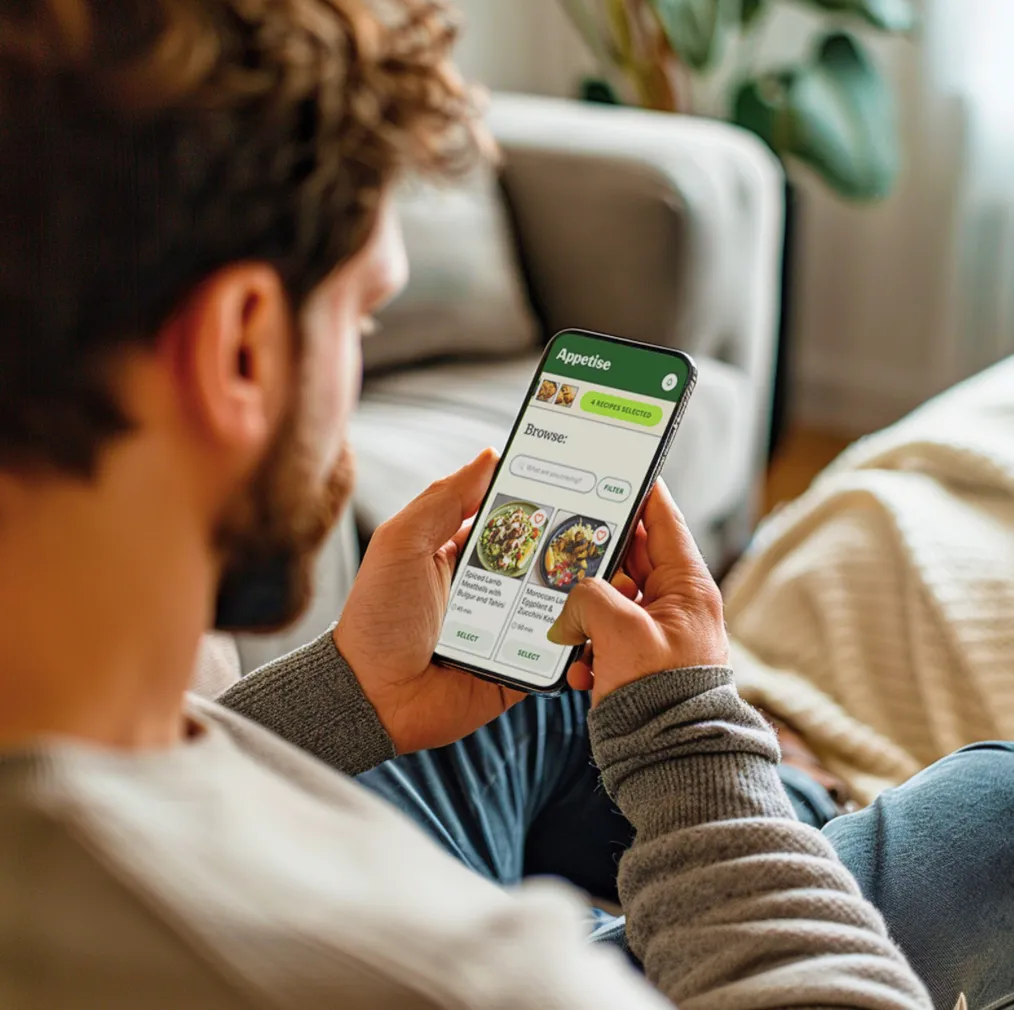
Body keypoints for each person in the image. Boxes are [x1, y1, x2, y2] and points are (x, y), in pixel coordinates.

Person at [0, 0, 932, 1007]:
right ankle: (776, 795)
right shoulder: (472, 979)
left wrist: (351, 694)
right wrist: (688, 740)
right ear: (242, 348)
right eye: (362, 313)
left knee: (533, 708)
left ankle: (785, 797)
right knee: (997, 806)